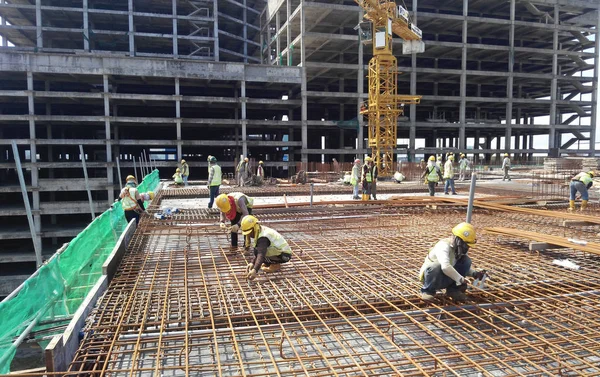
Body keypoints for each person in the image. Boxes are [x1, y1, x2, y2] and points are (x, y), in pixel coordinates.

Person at [419, 222, 485, 302]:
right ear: (459, 240)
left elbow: (456, 265)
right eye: (465, 245)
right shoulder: (443, 246)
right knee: (436, 266)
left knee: (466, 260)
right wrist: (460, 279)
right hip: (433, 278)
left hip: (447, 277)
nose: (467, 248)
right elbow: (445, 267)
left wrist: (474, 273)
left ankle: (453, 291)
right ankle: (427, 292)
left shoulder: (457, 250)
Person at [241, 215, 292, 280]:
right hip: (279, 252)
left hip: (284, 256)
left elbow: (261, 255)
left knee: (260, 253)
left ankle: (275, 265)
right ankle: (270, 263)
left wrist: (255, 270)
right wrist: (252, 263)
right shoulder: (260, 229)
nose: (249, 235)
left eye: (250, 232)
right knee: (258, 250)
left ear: (254, 228)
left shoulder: (263, 237)